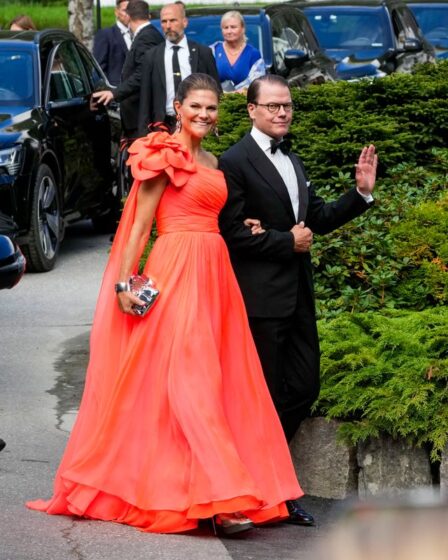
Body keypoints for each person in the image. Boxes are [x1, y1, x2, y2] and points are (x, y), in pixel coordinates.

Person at [26, 73, 308, 535]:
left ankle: (202, 490)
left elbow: (220, 218)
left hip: (216, 275)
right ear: (178, 106)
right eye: (195, 106)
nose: (203, 114)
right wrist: (123, 285)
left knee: (217, 385)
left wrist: (249, 225)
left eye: (212, 108)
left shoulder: (215, 160)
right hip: (175, 271)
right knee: (191, 383)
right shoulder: (161, 155)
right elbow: (138, 227)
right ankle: (224, 500)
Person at [219, 74, 377, 444]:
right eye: (273, 106)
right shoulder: (234, 161)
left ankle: (267, 470)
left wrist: (360, 194)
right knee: (264, 396)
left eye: (287, 105)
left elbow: (316, 219)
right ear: (252, 110)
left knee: (305, 388)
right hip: (261, 299)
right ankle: (265, 487)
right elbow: (232, 234)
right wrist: (285, 242)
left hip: (299, 297)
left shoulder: (292, 156)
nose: (282, 113)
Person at [138, 3, 220, 135]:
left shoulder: (203, 53)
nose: (168, 26)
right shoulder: (151, 56)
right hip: (163, 127)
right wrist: (143, 134)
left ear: (185, 22)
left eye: (173, 20)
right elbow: (145, 98)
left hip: (197, 123)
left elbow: (216, 91)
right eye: (164, 21)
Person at [93, 0, 164, 140]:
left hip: (140, 113)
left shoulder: (146, 37)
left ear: (129, 16)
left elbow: (142, 74)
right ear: (148, 15)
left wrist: (114, 93)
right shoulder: (151, 34)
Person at [210, 10, 266, 93]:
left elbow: (258, 85)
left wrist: (238, 94)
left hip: (243, 102)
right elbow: (204, 80)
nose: (229, 31)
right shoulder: (213, 51)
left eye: (233, 27)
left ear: (243, 29)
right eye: (226, 28)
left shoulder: (253, 54)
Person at [93, 0, 131, 87]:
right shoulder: (106, 34)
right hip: (115, 91)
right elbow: (99, 68)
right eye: (125, 10)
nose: (128, 14)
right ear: (116, 12)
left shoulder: (138, 34)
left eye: (131, 10)